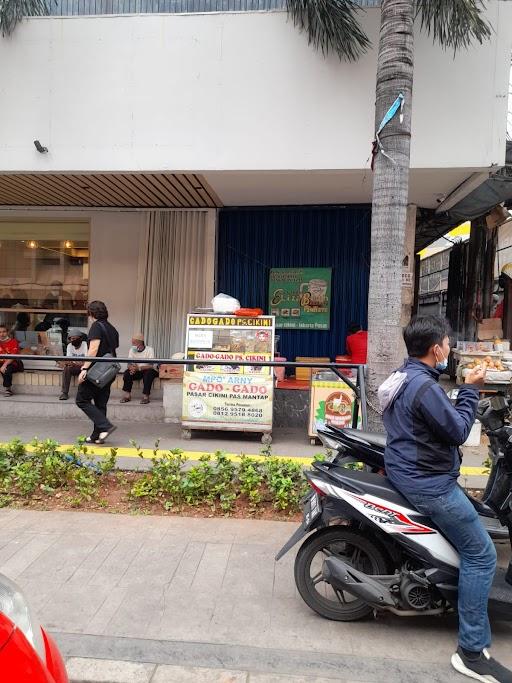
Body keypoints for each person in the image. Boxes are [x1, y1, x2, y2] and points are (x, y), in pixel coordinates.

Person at [378, 315, 512, 682]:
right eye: (449, 345)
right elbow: (455, 432)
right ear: (436, 348)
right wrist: (470, 390)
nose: (450, 351)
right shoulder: (425, 388)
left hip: (409, 471)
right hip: (429, 483)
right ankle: (471, 651)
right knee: (482, 555)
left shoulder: (407, 377)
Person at [76, 301, 119, 444]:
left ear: (91, 313)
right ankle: (97, 435)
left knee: (82, 400)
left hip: (96, 371)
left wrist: (84, 368)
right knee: (101, 402)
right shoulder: (112, 328)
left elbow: (93, 349)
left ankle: (106, 426)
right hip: (109, 371)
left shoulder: (96, 327)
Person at [121, 334, 158, 405]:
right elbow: (129, 363)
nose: (132, 345)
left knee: (148, 374)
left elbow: (151, 365)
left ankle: (146, 397)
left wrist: (139, 368)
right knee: (127, 373)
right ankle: (127, 396)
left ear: (140, 342)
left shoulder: (149, 349)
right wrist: (131, 368)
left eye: (134, 343)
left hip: (147, 369)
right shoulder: (132, 350)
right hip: (137, 370)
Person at [59, 328, 88, 401]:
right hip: (75, 367)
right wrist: (70, 363)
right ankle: (64, 393)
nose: (73, 340)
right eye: (72, 339)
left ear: (80, 338)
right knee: (66, 368)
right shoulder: (69, 346)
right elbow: (69, 361)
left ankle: (83, 394)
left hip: (84, 368)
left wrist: (75, 363)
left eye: (75, 338)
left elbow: (87, 361)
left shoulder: (84, 344)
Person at [0, 323, 24, 397]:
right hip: (1, 363)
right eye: (0, 332)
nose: (2, 334)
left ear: (7, 332)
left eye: (4, 332)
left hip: (13, 363)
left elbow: (12, 356)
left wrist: (4, 365)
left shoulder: (13, 342)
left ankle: (8, 389)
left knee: (7, 369)